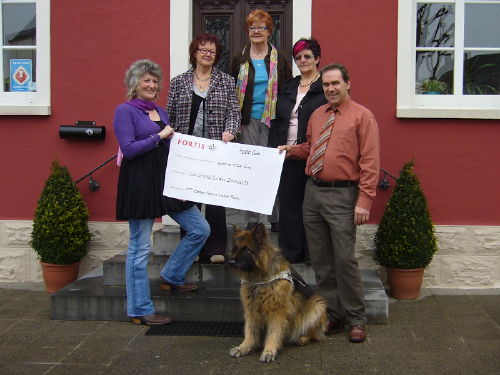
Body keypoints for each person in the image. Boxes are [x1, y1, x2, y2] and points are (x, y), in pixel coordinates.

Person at [278, 63, 380, 343]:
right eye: (326, 85)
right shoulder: (317, 114)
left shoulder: (363, 117)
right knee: (321, 261)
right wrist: (292, 150)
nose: (331, 89)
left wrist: (365, 201)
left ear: (348, 84)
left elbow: (370, 162)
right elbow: (312, 148)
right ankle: (333, 313)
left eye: (336, 83)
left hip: (343, 196)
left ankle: (357, 318)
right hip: (313, 194)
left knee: (344, 260)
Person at [114, 59, 210, 326]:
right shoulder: (125, 111)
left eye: (155, 81)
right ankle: (140, 309)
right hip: (140, 184)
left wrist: (181, 182)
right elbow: (129, 149)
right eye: (146, 80)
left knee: (200, 228)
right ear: (134, 84)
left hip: (167, 181)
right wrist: (159, 136)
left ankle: (172, 275)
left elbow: (169, 151)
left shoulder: (160, 111)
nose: (152, 85)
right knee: (140, 248)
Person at [167, 33, 241, 264]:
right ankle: (191, 249)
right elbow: (168, 115)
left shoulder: (227, 81)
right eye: (203, 50)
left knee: (216, 200)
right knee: (187, 202)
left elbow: (234, 113)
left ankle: (216, 248)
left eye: (212, 51)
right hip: (186, 150)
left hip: (216, 149)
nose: (208, 54)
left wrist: (230, 131)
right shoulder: (178, 82)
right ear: (194, 54)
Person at [231, 9, 292, 231]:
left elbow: (287, 89)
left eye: (261, 27)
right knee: (250, 168)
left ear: (269, 31)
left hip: (272, 121)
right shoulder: (239, 58)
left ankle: (275, 218)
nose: (256, 31)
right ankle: (252, 218)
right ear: (248, 31)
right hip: (246, 120)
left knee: (271, 169)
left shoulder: (281, 58)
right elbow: (231, 88)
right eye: (252, 27)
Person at [268, 38, 327, 263]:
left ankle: (313, 254)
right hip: (287, 154)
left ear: (317, 59)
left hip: (314, 154)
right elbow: (277, 119)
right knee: (290, 205)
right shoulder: (290, 85)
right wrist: (273, 149)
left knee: (312, 208)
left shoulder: (325, 86)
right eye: (299, 57)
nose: (303, 60)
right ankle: (292, 254)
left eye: (307, 56)